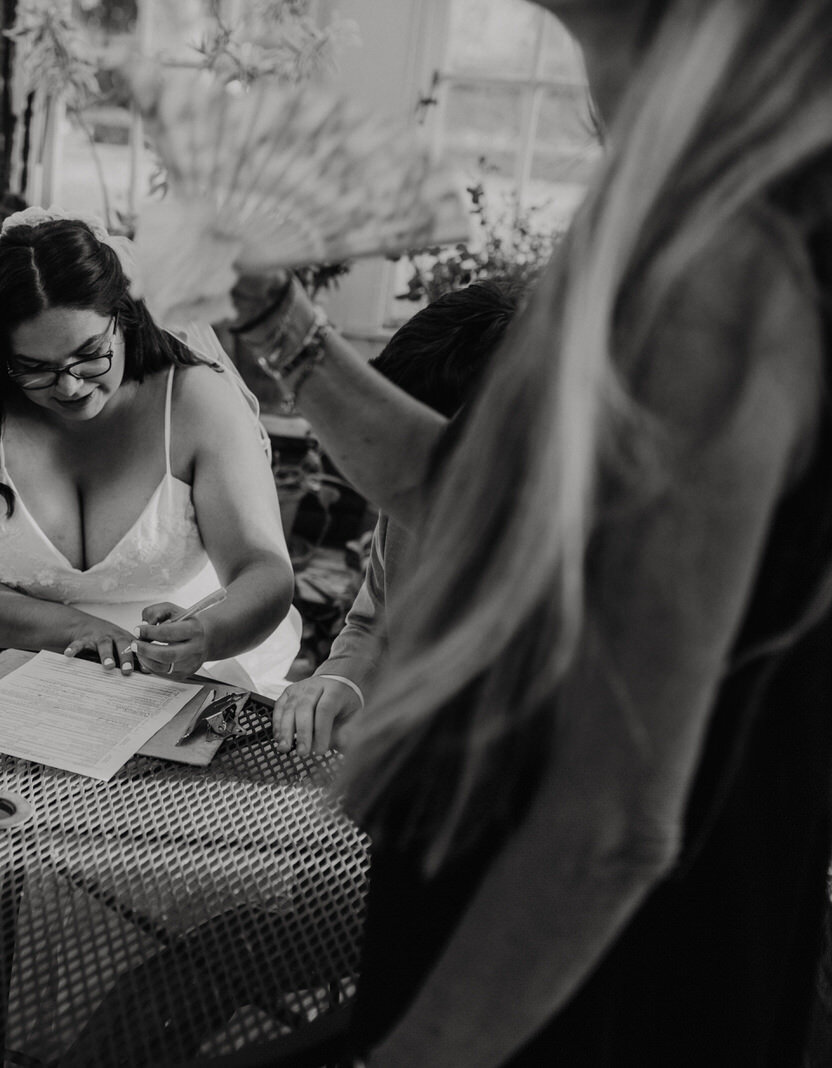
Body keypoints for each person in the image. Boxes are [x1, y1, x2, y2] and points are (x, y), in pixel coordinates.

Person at [232, 0, 832, 1064]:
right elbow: (462, 494)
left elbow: (613, 825)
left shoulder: (723, 262)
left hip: (594, 981)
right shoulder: (662, 193)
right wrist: (270, 314)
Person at [0, 210, 302, 698]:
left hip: (166, 680)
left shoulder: (196, 401)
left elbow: (262, 569)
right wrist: (74, 629)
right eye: (34, 368)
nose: (70, 386)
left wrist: (209, 634)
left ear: (125, 317)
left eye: (91, 354)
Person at [272, 280, 518, 756]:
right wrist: (341, 679)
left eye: (429, 461)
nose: (404, 490)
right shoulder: (406, 494)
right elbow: (373, 623)